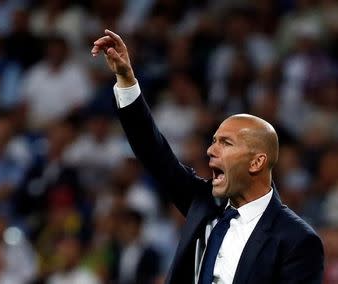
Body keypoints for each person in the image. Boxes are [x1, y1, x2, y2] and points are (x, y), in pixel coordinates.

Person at [91, 29, 324, 284]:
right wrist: (126, 80)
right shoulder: (203, 202)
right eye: (213, 141)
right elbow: (154, 153)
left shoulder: (296, 240)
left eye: (226, 143)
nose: (210, 150)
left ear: (257, 162)